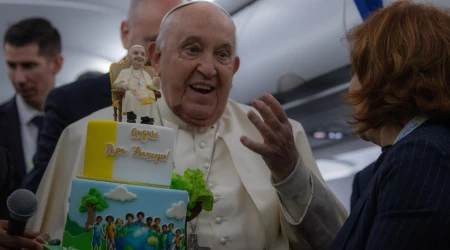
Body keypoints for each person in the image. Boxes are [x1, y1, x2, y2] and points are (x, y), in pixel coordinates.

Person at [26, 2, 347, 249]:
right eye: (192, 49)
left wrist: (290, 174)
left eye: (222, 55)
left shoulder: (279, 137)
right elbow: (45, 240)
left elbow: (333, 241)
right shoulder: (87, 133)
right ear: (157, 58)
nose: (207, 68)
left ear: (234, 68)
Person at [21, 0, 185, 193]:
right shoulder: (71, 103)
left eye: (180, 45)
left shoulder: (195, 106)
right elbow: (41, 192)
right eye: (154, 42)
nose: (161, 56)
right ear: (125, 34)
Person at [331, 2, 450, 249]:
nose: (350, 87)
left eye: (356, 72)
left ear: (385, 76)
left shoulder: (420, 154)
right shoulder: (422, 149)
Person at [0, 18, 63, 195]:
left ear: (57, 64)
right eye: (12, 66)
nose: (19, 78)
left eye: (29, 66)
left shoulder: (79, 122)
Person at [113, 45, 160, 124]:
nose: (139, 56)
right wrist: (126, 85)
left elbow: (151, 86)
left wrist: (156, 82)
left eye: (142, 54)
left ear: (145, 60)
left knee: (150, 95)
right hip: (132, 92)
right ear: (128, 57)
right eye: (136, 53)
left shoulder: (145, 74)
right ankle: (131, 118)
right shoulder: (125, 72)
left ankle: (146, 119)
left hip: (144, 93)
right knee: (129, 95)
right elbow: (116, 84)